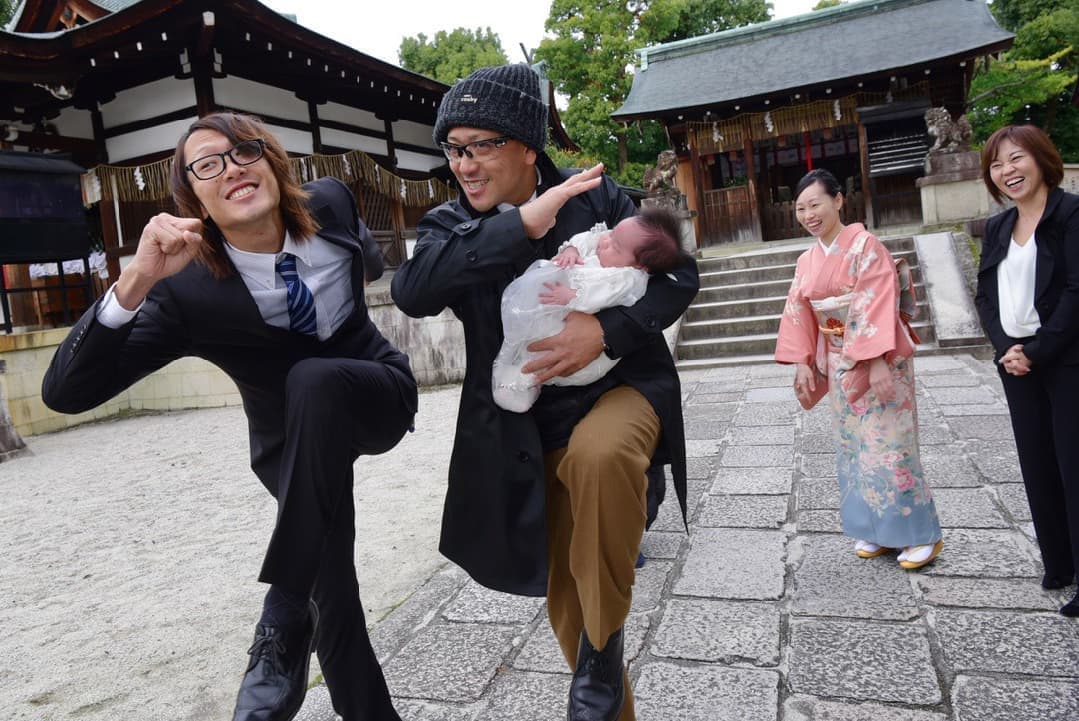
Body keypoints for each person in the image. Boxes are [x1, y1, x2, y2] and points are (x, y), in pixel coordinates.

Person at [41, 112, 418, 721]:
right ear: (196, 202)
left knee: (314, 375)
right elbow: (65, 393)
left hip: (375, 395)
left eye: (245, 152)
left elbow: (364, 258)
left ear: (272, 161)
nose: (232, 168)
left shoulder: (332, 203)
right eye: (208, 164)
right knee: (338, 600)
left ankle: (283, 608)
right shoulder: (187, 291)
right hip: (293, 448)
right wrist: (135, 278)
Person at [390, 64, 699, 721]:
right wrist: (520, 225)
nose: (463, 165)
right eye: (453, 149)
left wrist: (607, 330)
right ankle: (600, 670)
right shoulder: (449, 224)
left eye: (480, 146)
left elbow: (680, 276)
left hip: (621, 388)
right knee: (569, 595)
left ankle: (601, 646)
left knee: (600, 455)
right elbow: (412, 292)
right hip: (525, 427)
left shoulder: (599, 196)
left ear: (527, 145)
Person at [775, 168, 943, 570]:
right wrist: (801, 360)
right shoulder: (807, 259)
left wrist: (875, 361)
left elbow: (875, 301)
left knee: (892, 446)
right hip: (837, 361)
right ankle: (879, 531)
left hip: (879, 359)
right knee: (854, 448)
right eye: (800, 208)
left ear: (838, 200)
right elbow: (797, 309)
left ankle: (921, 535)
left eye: (815, 204)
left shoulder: (866, 245)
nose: (809, 214)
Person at [973, 124, 1079, 617]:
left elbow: (1077, 292)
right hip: (1016, 362)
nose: (1007, 171)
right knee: (1036, 463)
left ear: (1041, 159)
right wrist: (1006, 349)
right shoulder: (998, 227)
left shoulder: (1071, 214)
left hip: (1065, 358)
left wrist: (1038, 349)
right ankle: (1058, 562)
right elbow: (985, 293)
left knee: (1073, 464)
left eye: (1016, 159)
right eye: (996, 164)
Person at [493, 207, 690, 412]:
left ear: (639, 266)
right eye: (612, 234)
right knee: (536, 339)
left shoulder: (625, 279)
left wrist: (573, 296)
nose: (605, 242)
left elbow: (598, 295)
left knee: (546, 356)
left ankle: (525, 382)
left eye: (615, 246)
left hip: (589, 359)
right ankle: (519, 372)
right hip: (566, 316)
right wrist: (572, 249)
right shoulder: (614, 244)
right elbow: (591, 238)